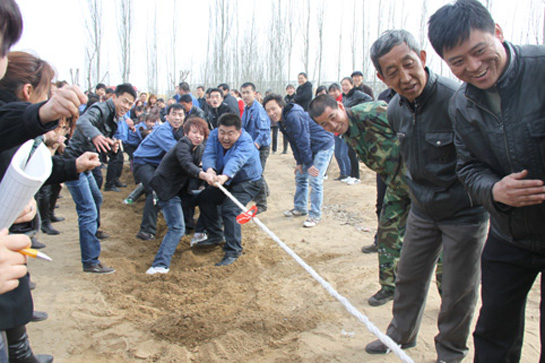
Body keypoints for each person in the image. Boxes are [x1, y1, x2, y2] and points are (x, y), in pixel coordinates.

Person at [362, 29, 489, 363]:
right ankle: (399, 336)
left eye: (408, 64)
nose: (404, 77)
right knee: (408, 277)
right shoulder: (394, 110)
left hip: (464, 213)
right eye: (392, 72)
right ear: (381, 77)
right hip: (422, 209)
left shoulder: (457, 100)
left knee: (458, 291)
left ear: (421, 57)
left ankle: (450, 352)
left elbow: (480, 160)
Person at [428, 1, 545, 361]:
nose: (473, 67)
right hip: (508, 233)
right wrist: (494, 190)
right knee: (493, 331)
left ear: (497, 32)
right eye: (458, 61)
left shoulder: (540, 70)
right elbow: (467, 167)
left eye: (479, 51)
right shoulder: (461, 105)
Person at [309, 95, 410, 307]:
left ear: (339, 106)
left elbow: (413, 130)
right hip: (396, 186)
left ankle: (448, 297)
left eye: (334, 118)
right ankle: (390, 286)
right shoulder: (346, 133)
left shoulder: (373, 112)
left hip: (420, 184)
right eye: (324, 124)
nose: (333, 126)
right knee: (387, 233)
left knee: (436, 244)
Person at [63, 83, 136, 274]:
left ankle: (93, 232)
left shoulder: (114, 117)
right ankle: (90, 261)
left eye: (130, 104)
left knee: (96, 198)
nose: (127, 107)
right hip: (74, 163)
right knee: (87, 210)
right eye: (125, 101)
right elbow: (82, 122)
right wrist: (96, 136)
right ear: (115, 97)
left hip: (87, 163)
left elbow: (101, 140)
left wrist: (109, 144)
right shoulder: (101, 108)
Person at [147, 117, 213, 274]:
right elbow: (187, 165)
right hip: (166, 191)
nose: (198, 136)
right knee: (177, 227)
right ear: (186, 133)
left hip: (180, 190)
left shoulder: (199, 148)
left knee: (206, 197)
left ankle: (203, 232)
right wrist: (203, 175)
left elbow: (204, 162)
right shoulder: (183, 144)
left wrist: (210, 170)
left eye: (201, 133)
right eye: (194, 132)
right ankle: (159, 265)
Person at [195, 113, 262, 266]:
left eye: (230, 133)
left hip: (248, 182)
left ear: (239, 132)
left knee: (230, 209)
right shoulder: (213, 136)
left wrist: (224, 176)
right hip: (224, 179)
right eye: (222, 132)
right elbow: (209, 153)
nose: (225, 137)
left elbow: (236, 161)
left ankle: (233, 250)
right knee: (205, 198)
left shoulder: (246, 142)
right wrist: (210, 170)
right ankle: (216, 234)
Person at [263, 94, 334, 228]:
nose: (271, 113)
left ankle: (315, 215)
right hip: (310, 146)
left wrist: (309, 164)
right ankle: (301, 208)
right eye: (268, 110)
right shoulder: (281, 120)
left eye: (274, 109)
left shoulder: (293, 116)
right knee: (301, 175)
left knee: (315, 179)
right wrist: (299, 163)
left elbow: (303, 140)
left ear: (281, 106)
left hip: (322, 145)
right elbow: (293, 141)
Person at [133, 103, 184, 241]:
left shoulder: (178, 131)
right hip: (144, 163)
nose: (177, 118)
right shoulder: (163, 131)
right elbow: (177, 151)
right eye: (174, 114)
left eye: (180, 115)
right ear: (167, 117)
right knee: (154, 189)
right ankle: (146, 230)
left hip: (157, 165)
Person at [241, 82, 271, 214]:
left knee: (257, 174)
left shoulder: (258, 109)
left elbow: (264, 131)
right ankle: (265, 192)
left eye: (248, 92)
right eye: (243, 93)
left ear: (254, 93)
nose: (246, 95)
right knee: (256, 172)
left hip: (260, 147)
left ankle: (262, 204)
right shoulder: (247, 109)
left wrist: (256, 145)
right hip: (252, 147)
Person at [341, 76, 372, 186]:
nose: (344, 87)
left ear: (352, 85)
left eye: (347, 84)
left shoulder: (356, 93)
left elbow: (369, 99)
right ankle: (351, 175)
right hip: (348, 127)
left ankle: (356, 177)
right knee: (349, 152)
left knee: (352, 152)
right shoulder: (345, 97)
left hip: (355, 126)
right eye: (343, 85)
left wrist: (357, 111)